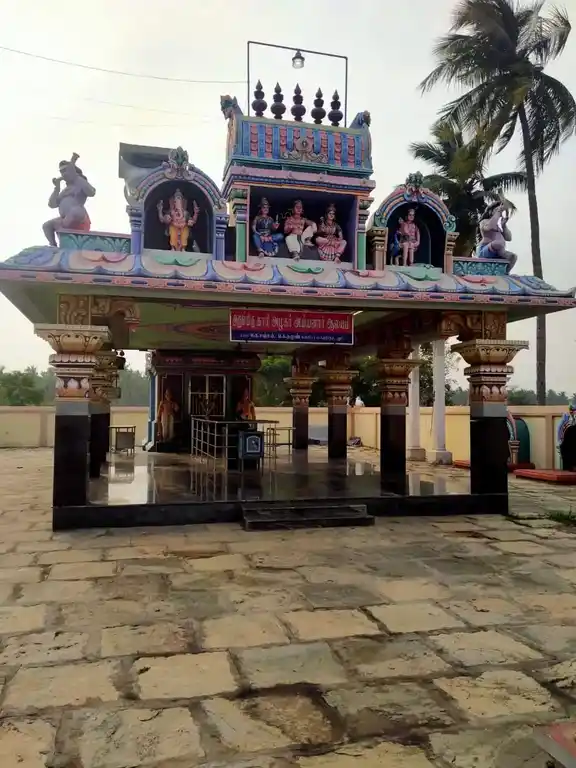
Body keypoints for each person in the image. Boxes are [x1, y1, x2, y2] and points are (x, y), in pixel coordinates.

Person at [43, 154, 96, 246]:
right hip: (65, 220)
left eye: (66, 171)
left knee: (74, 212)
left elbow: (92, 192)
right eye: (62, 172)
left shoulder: (80, 183)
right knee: (47, 225)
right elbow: (52, 204)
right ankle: (53, 245)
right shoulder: (65, 190)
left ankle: (65, 232)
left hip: (78, 217)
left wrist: (75, 175)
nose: (64, 174)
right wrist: (57, 188)